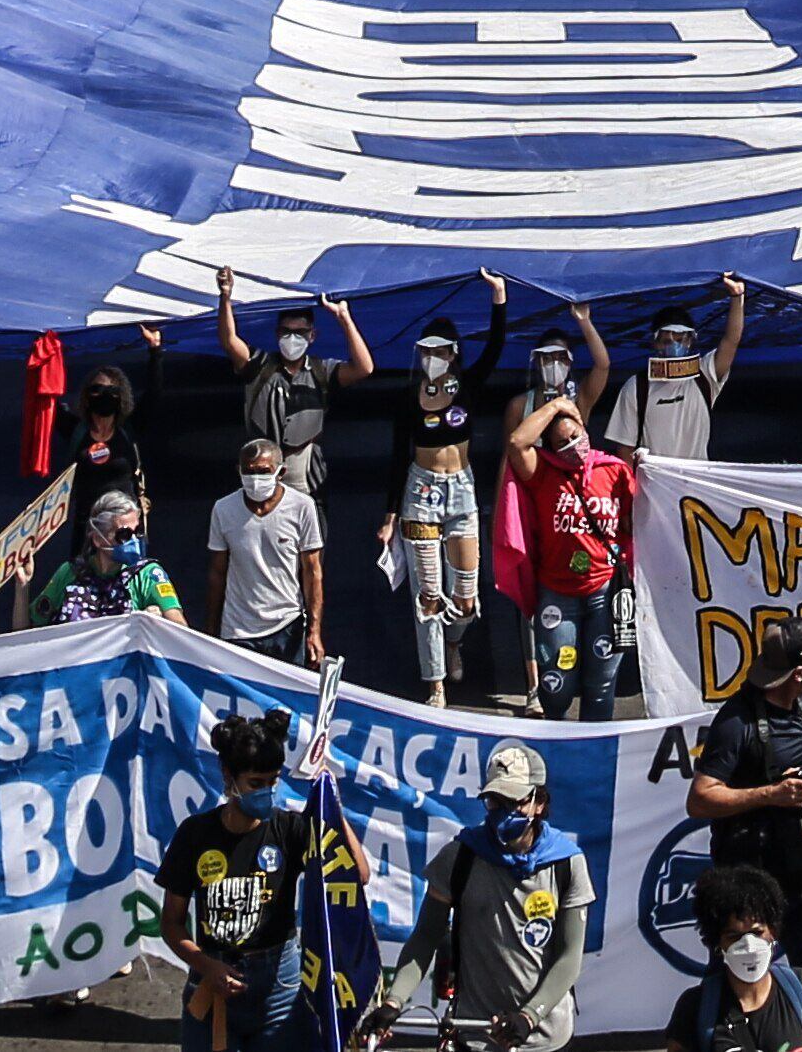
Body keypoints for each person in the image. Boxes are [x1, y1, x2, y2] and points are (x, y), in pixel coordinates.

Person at [688, 616, 802, 1052]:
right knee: (729, 987)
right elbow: (701, 799)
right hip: (751, 890)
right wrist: (771, 794)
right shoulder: (737, 723)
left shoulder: (799, 696)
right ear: (799, 672)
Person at [364, 742, 589, 1052]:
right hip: (475, 1034)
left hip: (544, 1037)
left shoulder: (566, 864)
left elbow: (569, 956)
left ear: (539, 803)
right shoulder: (460, 857)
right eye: (495, 801)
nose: (504, 812)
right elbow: (426, 937)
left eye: (514, 801)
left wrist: (528, 1016)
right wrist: (394, 1001)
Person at [157, 708, 329, 1052]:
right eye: (255, 783)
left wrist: (330, 801)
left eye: (273, 781)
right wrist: (206, 965)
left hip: (280, 989)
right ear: (228, 775)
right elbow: (172, 924)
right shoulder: (195, 834)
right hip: (212, 986)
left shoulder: (290, 830)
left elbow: (360, 874)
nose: (266, 791)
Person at [381, 278, 508, 703]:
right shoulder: (407, 396)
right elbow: (399, 455)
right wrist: (390, 514)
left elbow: (495, 345)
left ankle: (454, 641)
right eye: (427, 351)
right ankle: (434, 681)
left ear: (453, 353)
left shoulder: (468, 385)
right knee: (427, 595)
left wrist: (498, 299)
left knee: (466, 596)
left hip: (461, 490)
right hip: (420, 492)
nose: (433, 358)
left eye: (440, 350)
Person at [504, 392, 640, 720]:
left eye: (576, 435)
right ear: (551, 448)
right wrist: (557, 405)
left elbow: (637, 520)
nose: (572, 444)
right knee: (557, 684)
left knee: (601, 684)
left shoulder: (615, 470)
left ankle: (594, 753)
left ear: (586, 430)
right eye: (562, 441)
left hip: (606, 593)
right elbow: (516, 442)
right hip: (557, 595)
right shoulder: (542, 472)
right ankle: (558, 743)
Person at [216, 267, 374, 495]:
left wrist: (344, 319)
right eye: (286, 332)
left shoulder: (322, 370)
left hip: (306, 470)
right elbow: (229, 341)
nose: (292, 338)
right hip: (262, 468)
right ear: (277, 334)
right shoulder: (260, 365)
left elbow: (364, 368)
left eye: (300, 332)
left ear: (312, 336)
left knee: (311, 525)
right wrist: (225, 297)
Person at [663, 863, 802, 1052]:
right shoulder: (695, 1008)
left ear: (772, 932)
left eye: (757, 933)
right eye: (735, 936)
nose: (748, 945)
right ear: (717, 943)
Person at [599, 274, 747, 463]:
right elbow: (625, 447)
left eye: (681, 339)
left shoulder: (705, 374)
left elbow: (732, 340)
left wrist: (737, 297)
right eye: (667, 340)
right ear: (656, 344)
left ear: (691, 341)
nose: (674, 345)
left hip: (697, 482)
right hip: (655, 484)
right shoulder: (637, 387)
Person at [205, 438, 326, 667]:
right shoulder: (223, 509)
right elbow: (217, 573)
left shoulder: (302, 506)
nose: (255, 479)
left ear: (281, 472)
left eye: (263, 471)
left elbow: (312, 572)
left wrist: (314, 631)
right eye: (249, 472)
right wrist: (211, 630)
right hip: (239, 630)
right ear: (238, 472)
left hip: (286, 627)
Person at [35, 492, 184, 622]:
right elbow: (25, 632)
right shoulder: (71, 573)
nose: (134, 541)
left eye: (137, 531)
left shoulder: (147, 574)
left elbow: (180, 630)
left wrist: (158, 624)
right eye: (124, 535)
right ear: (98, 539)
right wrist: (22, 586)